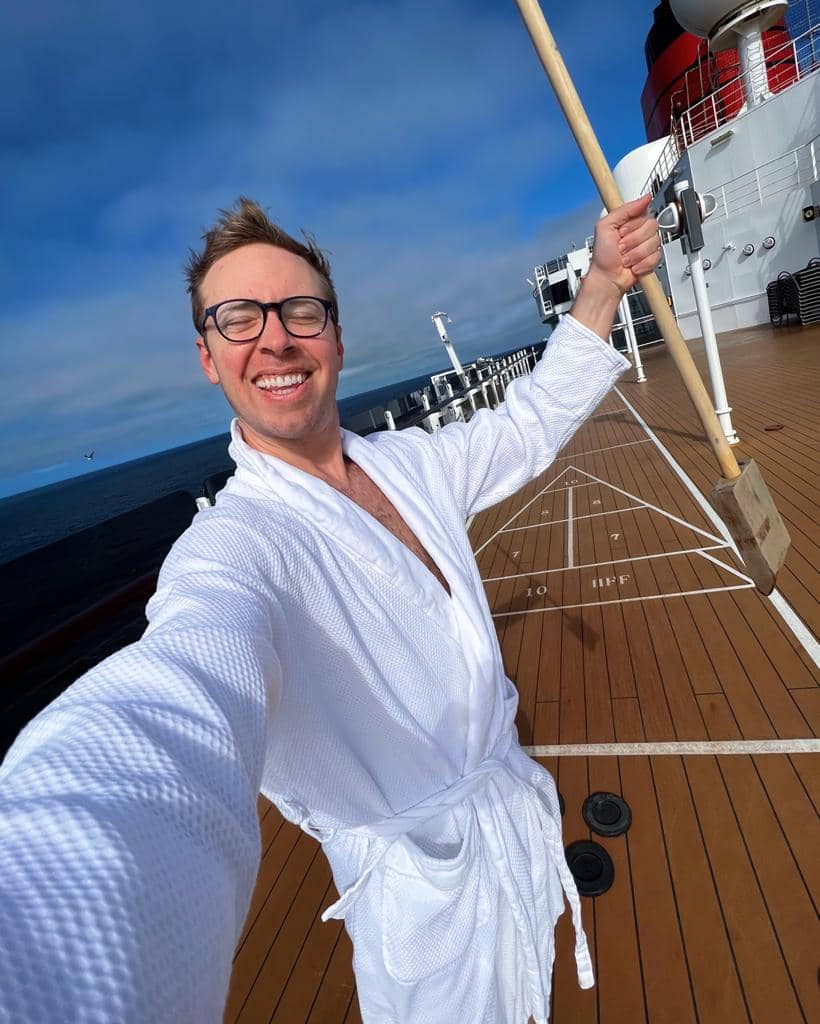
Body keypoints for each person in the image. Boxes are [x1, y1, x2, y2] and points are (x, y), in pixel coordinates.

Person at [0, 195, 660, 1023]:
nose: (275, 338)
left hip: (507, 828)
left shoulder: (412, 463)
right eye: (238, 318)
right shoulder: (236, 549)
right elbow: (175, 697)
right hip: (424, 910)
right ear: (208, 356)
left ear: (337, 338)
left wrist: (601, 283)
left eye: (299, 311)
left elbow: (526, 425)